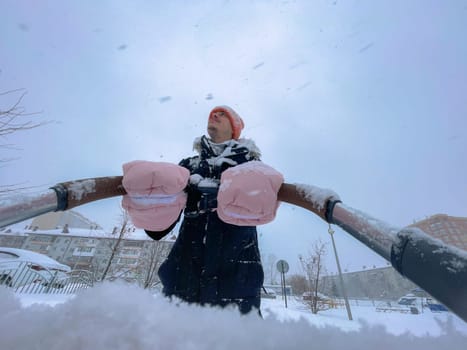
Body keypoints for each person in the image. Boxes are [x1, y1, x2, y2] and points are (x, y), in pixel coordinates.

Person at [121, 106, 283, 314]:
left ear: (235, 128)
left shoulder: (252, 167)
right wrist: (151, 206)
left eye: (223, 114)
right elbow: (159, 229)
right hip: (184, 274)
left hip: (237, 277)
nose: (214, 115)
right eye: (212, 113)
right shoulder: (188, 166)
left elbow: (263, 204)